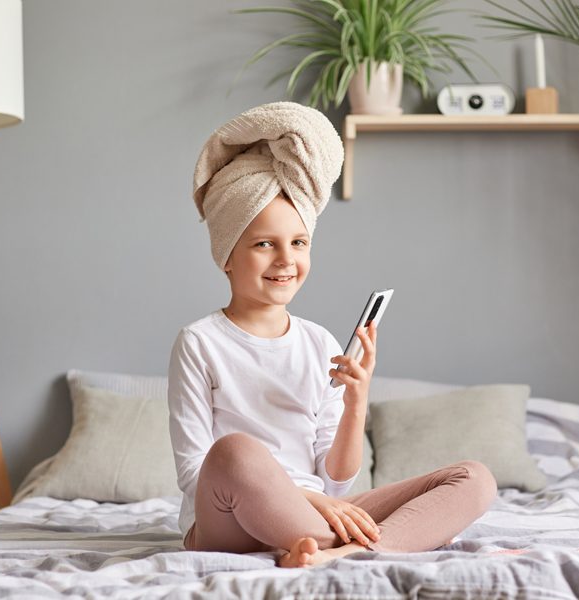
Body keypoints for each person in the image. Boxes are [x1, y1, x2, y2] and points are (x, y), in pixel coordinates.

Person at [168, 102, 497, 568]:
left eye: (298, 243)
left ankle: (339, 551)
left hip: (313, 513)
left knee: (475, 477)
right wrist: (318, 505)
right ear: (227, 255)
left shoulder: (319, 343)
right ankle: (358, 545)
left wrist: (357, 398)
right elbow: (194, 473)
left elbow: (337, 481)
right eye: (264, 244)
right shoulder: (200, 342)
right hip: (229, 523)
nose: (286, 260)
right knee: (235, 452)